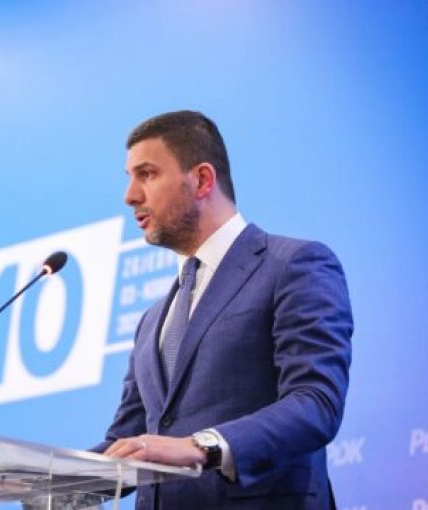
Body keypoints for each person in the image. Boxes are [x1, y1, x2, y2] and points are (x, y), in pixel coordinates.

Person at [96, 111, 353, 509]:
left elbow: (315, 403)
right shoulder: (151, 321)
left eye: (146, 174)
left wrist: (200, 447)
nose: (130, 196)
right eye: (130, 177)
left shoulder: (293, 266)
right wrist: (47, 480)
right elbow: (127, 443)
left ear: (202, 180)